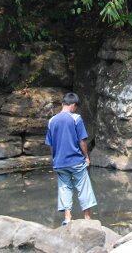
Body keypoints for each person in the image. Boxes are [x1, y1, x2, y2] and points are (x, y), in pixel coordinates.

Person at [45, 92, 97, 226]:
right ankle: (87, 218)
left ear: (63, 104)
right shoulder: (76, 118)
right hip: (76, 161)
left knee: (64, 187)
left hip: (59, 162)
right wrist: (86, 157)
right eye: (76, 107)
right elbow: (82, 141)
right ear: (73, 105)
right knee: (83, 186)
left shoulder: (52, 121)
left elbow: (51, 145)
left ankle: (67, 218)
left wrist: (55, 158)